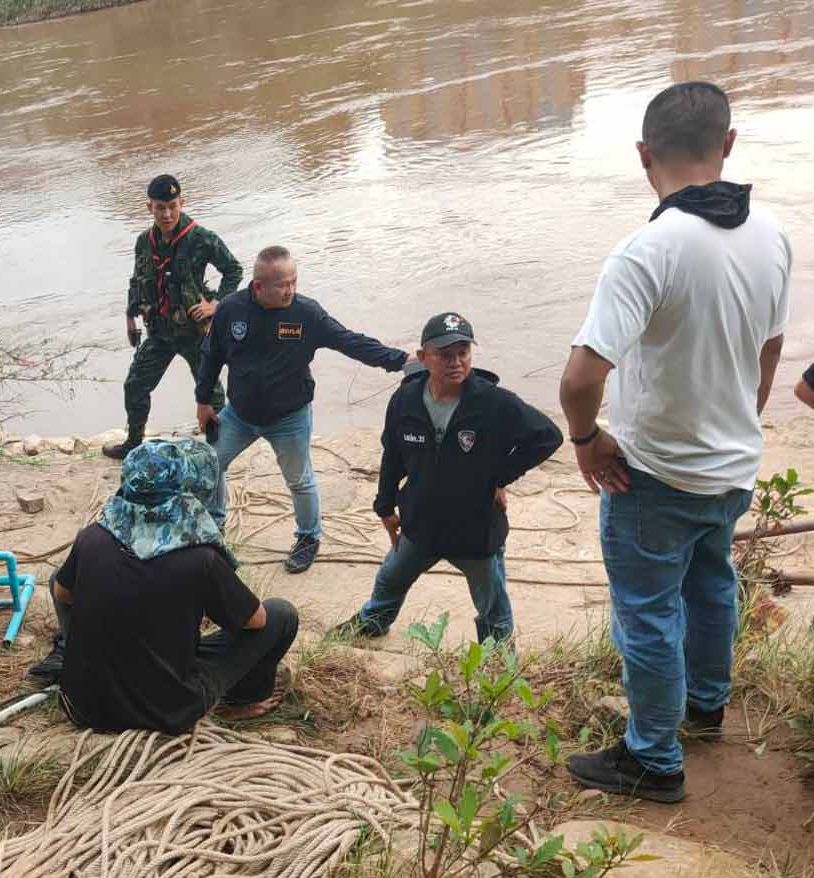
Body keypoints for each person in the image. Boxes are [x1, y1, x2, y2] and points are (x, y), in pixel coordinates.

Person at [559, 82, 792, 803]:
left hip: (654, 477)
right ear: (726, 145)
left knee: (649, 611)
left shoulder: (647, 249)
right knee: (712, 586)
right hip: (733, 468)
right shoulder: (772, 235)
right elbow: (771, 351)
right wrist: (740, 420)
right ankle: (706, 708)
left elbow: (579, 377)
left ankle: (653, 761)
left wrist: (587, 439)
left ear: (642, 156)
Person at [40, 438, 300, 734]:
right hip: (165, 711)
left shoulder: (92, 538)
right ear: (185, 491)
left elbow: (61, 594)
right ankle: (243, 701)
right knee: (281, 615)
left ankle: (85, 664)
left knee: (61, 580)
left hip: (83, 705)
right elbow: (257, 621)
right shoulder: (200, 558)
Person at [331, 313, 562, 644]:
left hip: (476, 530)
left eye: (463, 352)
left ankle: (496, 657)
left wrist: (499, 478)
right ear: (423, 358)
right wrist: (385, 506)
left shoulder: (493, 402)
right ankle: (373, 622)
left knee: (493, 605)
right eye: (445, 354)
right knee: (390, 580)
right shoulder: (405, 399)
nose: (456, 362)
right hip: (419, 523)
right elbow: (392, 454)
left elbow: (548, 436)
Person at [196, 246, 411, 573]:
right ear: (258, 287)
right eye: (282, 284)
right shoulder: (230, 310)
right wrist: (203, 402)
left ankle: (308, 536)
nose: (291, 290)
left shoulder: (306, 314)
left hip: (289, 418)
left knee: (299, 481)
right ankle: (215, 525)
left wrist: (401, 361)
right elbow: (211, 355)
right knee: (210, 464)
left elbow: (349, 341)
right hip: (239, 414)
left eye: (294, 281)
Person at [103, 174, 241, 460]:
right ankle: (133, 442)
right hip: (160, 331)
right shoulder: (144, 241)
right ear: (149, 207)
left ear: (181, 203)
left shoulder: (201, 238)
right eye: (159, 207)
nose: (166, 214)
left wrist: (216, 304)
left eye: (172, 206)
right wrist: (130, 317)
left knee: (210, 392)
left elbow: (234, 270)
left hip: (195, 331)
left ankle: (218, 448)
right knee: (135, 385)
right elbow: (136, 279)